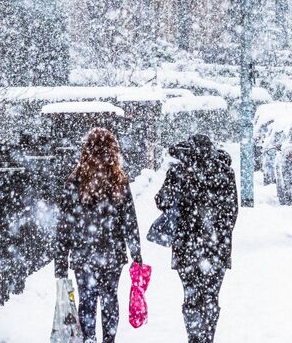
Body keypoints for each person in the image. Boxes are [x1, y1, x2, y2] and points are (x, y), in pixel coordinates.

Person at [54, 128, 143, 343]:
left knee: (87, 299)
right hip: (112, 252)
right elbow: (129, 220)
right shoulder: (119, 180)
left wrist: (60, 259)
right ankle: (108, 340)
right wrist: (136, 252)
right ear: (113, 152)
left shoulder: (75, 181)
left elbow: (64, 224)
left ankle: (89, 339)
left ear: (86, 151)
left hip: (84, 251)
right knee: (110, 298)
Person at [155, 134, 238, 343]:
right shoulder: (225, 172)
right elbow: (232, 212)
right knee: (210, 296)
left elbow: (161, 201)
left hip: (186, 246)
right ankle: (208, 336)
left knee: (191, 295)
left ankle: (194, 336)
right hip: (217, 248)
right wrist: (219, 235)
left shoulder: (178, 172)